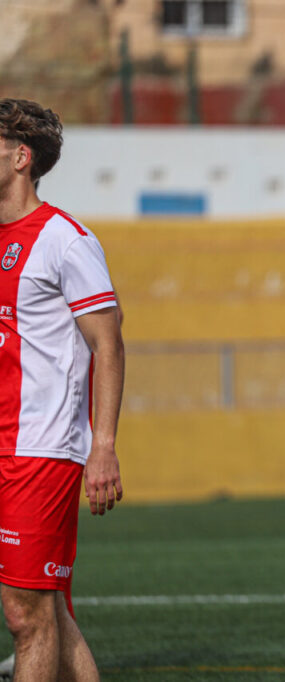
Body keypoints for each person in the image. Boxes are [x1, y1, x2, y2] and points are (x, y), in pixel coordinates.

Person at [0, 98, 125, 682]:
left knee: (27, 615)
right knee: (44, 608)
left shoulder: (64, 241)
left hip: (41, 449)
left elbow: (108, 346)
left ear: (21, 158)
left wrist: (103, 446)